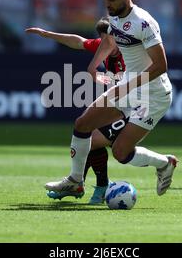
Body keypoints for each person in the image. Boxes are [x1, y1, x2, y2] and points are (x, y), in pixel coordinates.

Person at [45, 0, 178, 198]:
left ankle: (165, 163)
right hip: (129, 86)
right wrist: (93, 66)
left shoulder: (144, 23)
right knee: (83, 124)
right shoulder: (114, 19)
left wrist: (128, 86)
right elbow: (106, 43)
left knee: (120, 152)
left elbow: (161, 66)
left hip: (153, 95)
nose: (108, 3)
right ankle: (76, 182)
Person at [25, 17, 127, 204]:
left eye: (110, 40)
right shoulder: (103, 46)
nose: (107, 45)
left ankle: (163, 162)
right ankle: (88, 185)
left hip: (137, 107)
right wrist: (48, 35)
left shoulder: (130, 51)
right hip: (119, 104)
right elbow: (77, 41)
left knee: (99, 142)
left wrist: (110, 78)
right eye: (103, 41)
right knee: (89, 137)